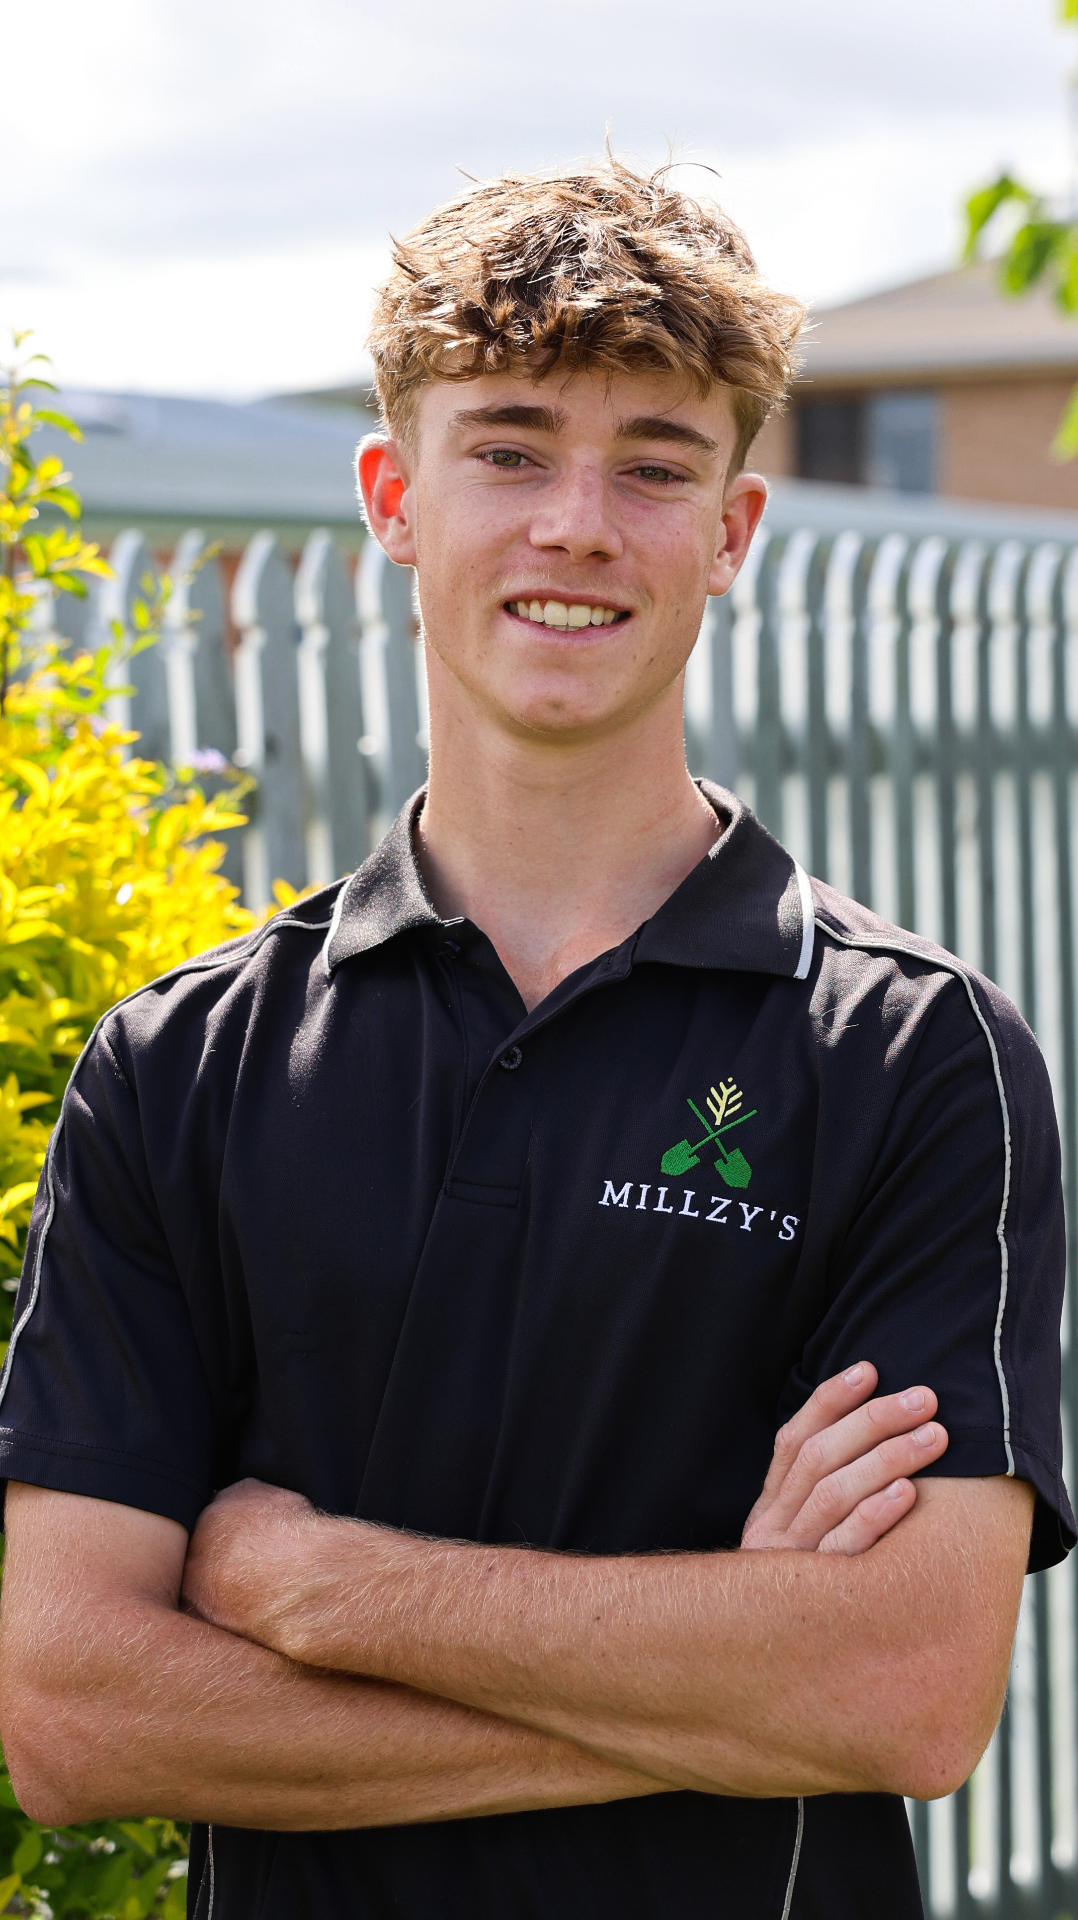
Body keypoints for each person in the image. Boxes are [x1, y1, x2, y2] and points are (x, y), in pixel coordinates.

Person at [0, 160, 1071, 1920]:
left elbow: (901, 1690)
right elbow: (73, 1714)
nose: (577, 523)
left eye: (652, 465)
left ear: (730, 533)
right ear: (393, 498)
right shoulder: (182, 1070)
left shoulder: (911, 1056)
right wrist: (725, 1682)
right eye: (507, 448)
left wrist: (317, 1584)